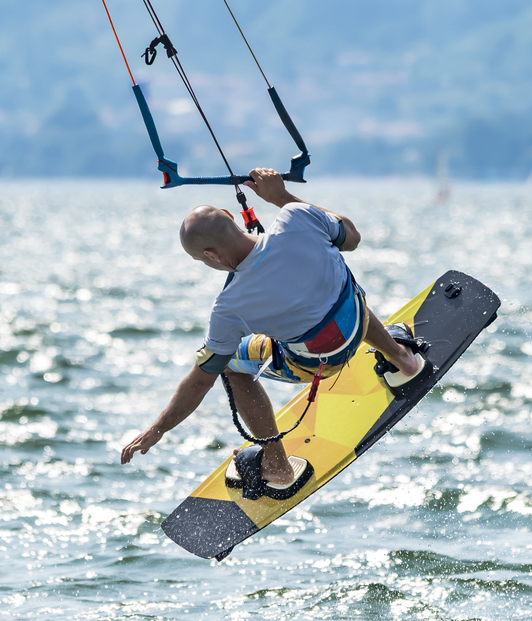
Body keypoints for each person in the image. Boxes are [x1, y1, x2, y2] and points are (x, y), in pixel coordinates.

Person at [120, 168, 427, 494]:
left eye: (202, 260)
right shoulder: (298, 217)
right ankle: (403, 360)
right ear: (230, 216)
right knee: (333, 288)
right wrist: (281, 197)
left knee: (230, 365)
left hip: (321, 360)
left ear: (211, 255)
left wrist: (159, 428)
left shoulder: (229, 306)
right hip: (356, 321)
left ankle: (278, 466)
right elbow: (351, 236)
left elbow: (200, 379)